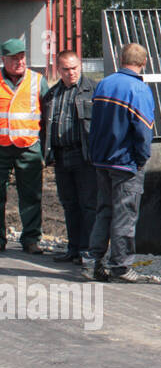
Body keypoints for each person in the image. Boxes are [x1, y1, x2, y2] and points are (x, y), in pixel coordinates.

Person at [85, 43, 155, 283]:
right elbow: (143, 131)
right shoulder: (139, 90)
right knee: (125, 216)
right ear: (144, 62)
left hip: (102, 159)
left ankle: (93, 261)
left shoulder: (104, 84)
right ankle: (121, 267)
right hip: (125, 163)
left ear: (120, 58)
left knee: (104, 210)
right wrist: (142, 158)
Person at [42, 49, 97, 264]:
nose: (70, 73)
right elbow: (44, 126)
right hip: (61, 158)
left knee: (88, 204)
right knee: (69, 204)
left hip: (84, 157)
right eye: (65, 69)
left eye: (74, 68)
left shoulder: (93, 90)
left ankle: (88, 250)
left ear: (80, 66)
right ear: (58, 69)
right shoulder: (52, 95)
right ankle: (73, 248)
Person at [0, 37, 49, 254]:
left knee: (31, 195)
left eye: (22, 57)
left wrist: (46, 149)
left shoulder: (38, 81)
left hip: (29, 147)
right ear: (3, 60)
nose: (19, 62)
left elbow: (48, 117)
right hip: (1, 147)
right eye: (14, 58)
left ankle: (31, 239)